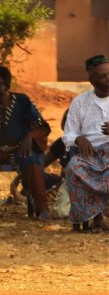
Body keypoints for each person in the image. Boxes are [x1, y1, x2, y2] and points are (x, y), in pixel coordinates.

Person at [0, 66, 51, 222]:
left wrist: (30, 136)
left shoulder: (22, 101)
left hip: (20, 148)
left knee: (32, 162)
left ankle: (42, 209)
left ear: (7, 87)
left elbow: (42, 126)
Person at [62, 54, 109, 232]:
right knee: (73, 167)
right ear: (91, 80)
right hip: (90, 154)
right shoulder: (80, 102)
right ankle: (96, 218)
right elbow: (68, 134)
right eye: (102, 76)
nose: (108, 78)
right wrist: (79, 138)